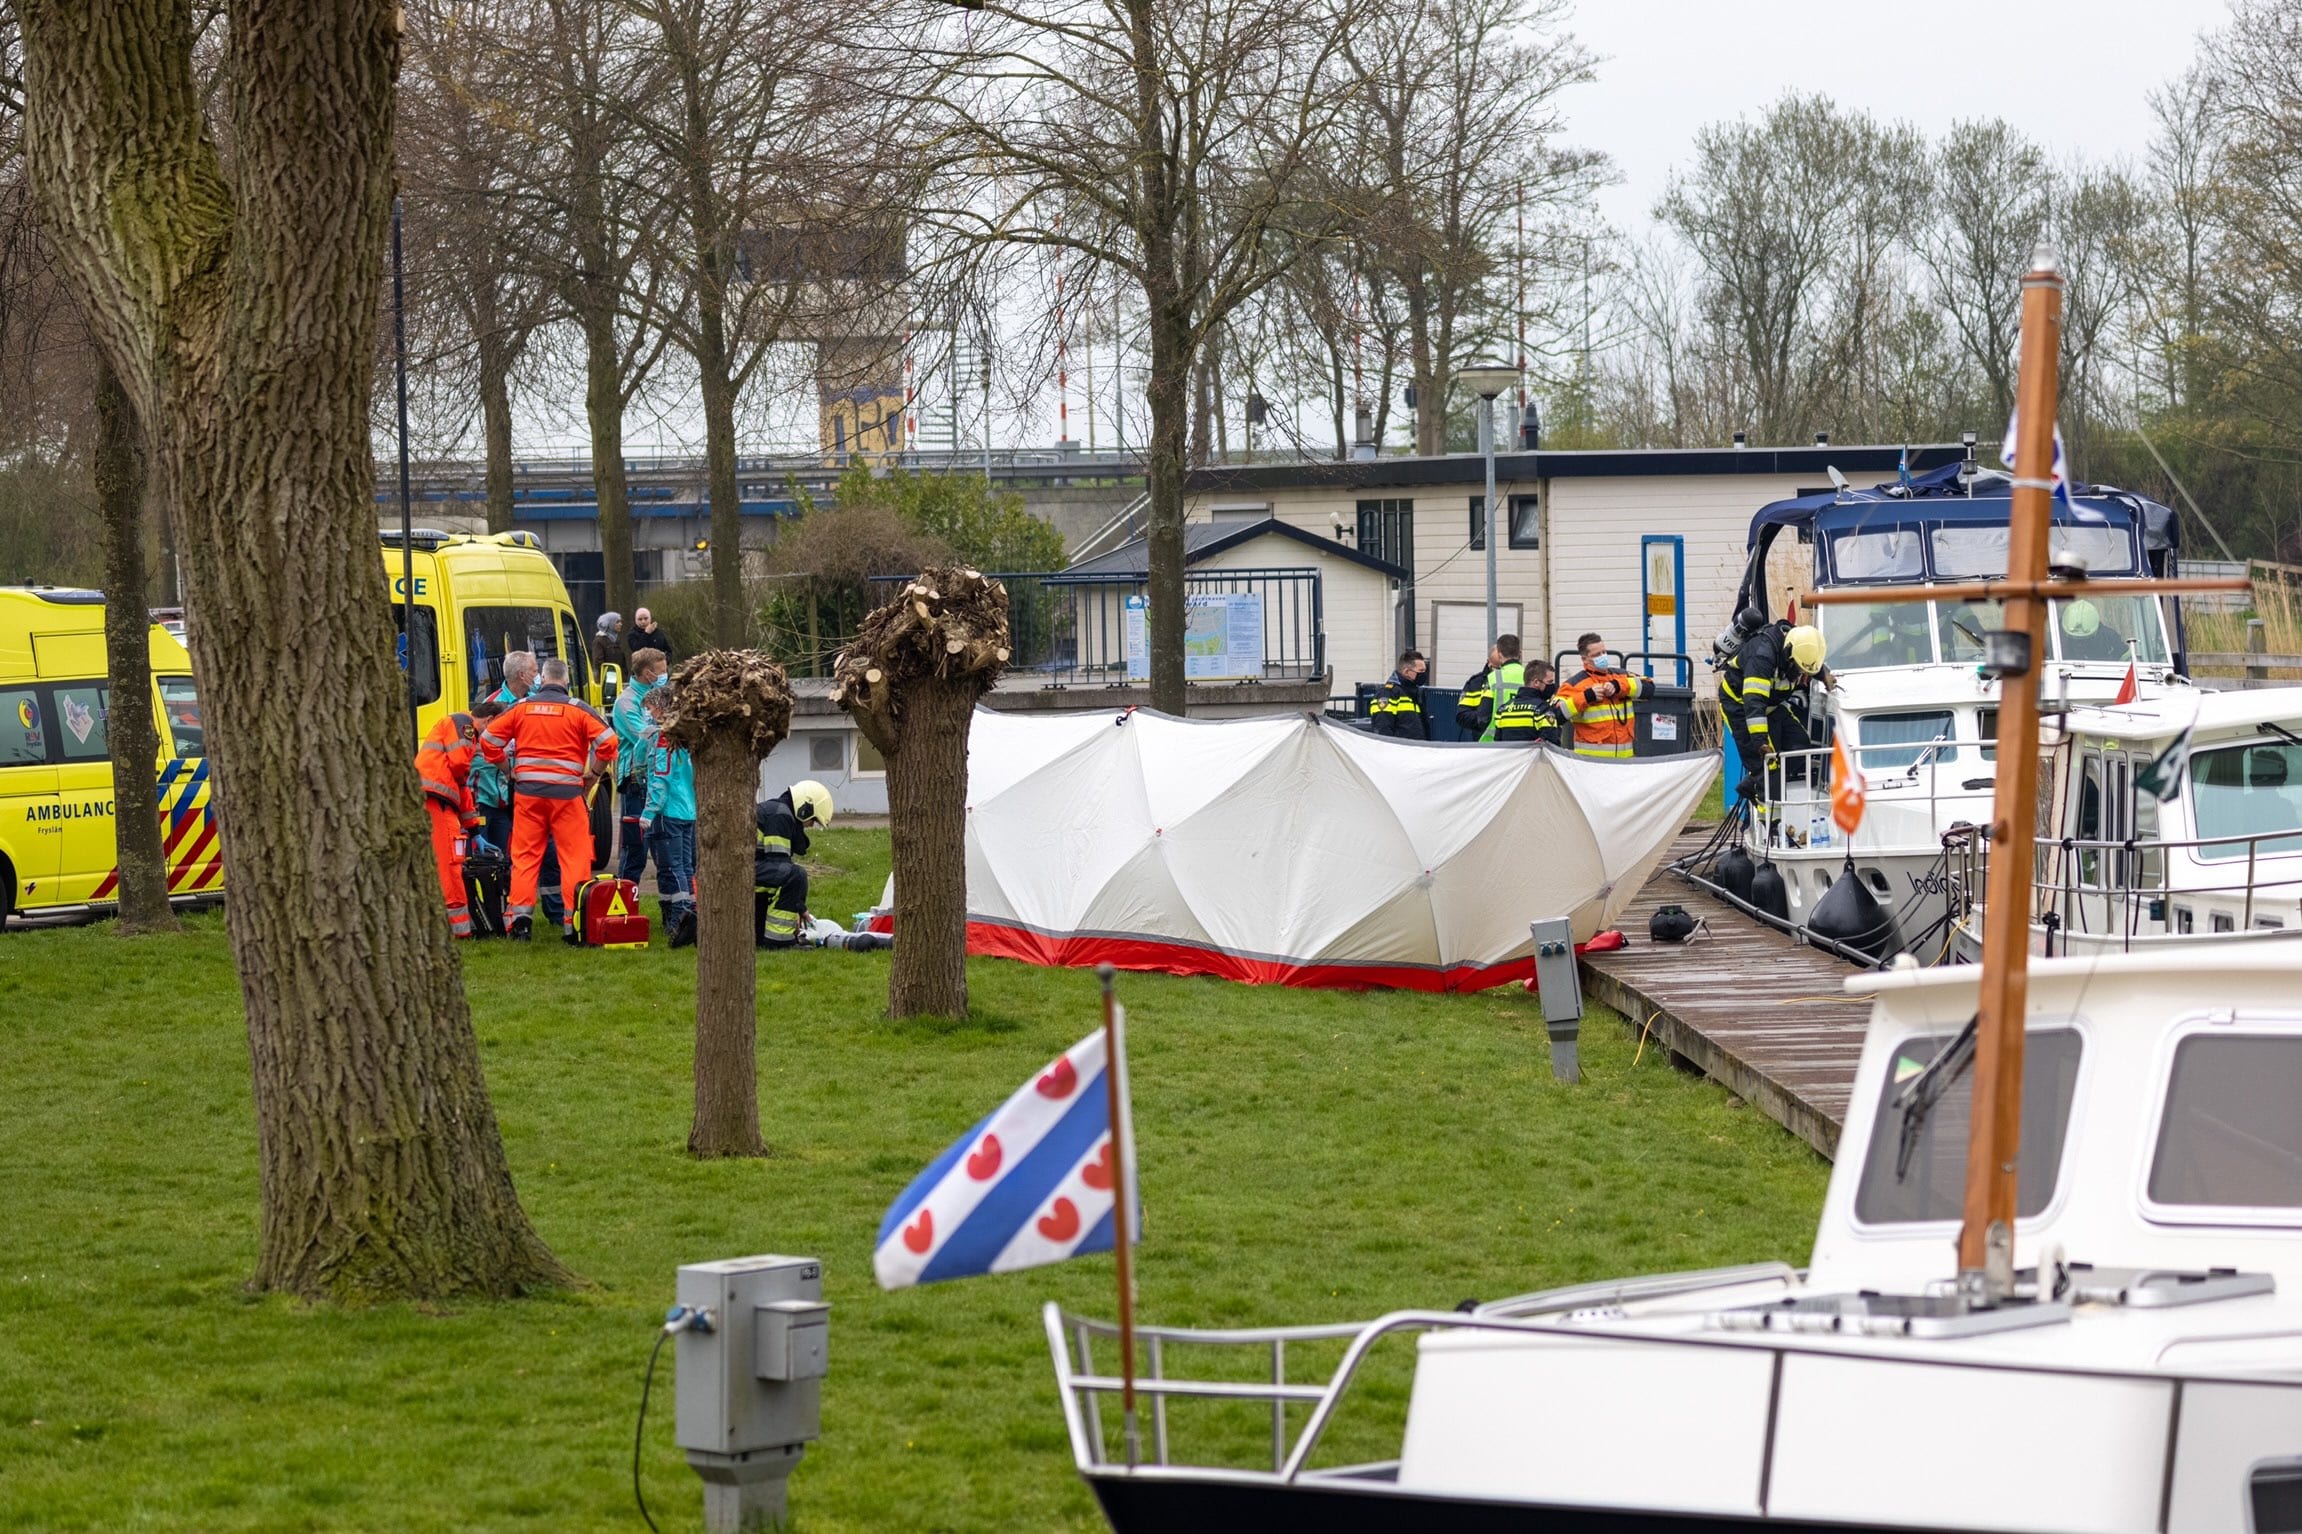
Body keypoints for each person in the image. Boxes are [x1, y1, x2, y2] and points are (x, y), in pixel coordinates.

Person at [480, 655, 618, 941]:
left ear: (542, 679)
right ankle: (574, 925)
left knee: (525, 857)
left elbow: (488, 741)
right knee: (574, 858)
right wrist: (593, 774)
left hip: (528, 795)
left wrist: (508, 770)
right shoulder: (579, 710)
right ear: (566, 680)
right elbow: (609, 742)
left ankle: (520, 922)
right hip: (567, 796)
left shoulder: (521, 707)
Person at [414, 699, 502, 938]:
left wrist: (474, 831)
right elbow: (460, 765)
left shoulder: (457, 728)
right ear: (490, 721)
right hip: (436, 802)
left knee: (444, 863)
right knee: (451, 864)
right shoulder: (464, 724)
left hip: (436, 801)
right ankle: (458, 930)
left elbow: (462, 789)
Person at [1720, 620, 1831, 808]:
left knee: (1800, 746)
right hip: (1740, 707)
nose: (1802, 677)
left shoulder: (1798, 647)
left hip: (1770, 705)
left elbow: (1807, 659)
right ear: (1788, 654)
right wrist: (1760, 741)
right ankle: (1770, 819)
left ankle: (1751, 785)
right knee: (1767, 767)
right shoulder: (1762, 657)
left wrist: (1823, 674)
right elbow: (1754, 702)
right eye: (1799, 670)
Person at [638, 686, 697, 949]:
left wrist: (648, 812)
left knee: (672, 869)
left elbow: (660, 778)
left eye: (650, 709)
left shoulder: (664, 738)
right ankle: (685, 918)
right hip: (687, 811)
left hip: (667, 812)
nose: (648, 715)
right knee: (685, 868)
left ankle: (678, 923)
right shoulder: (687, 735)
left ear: (661, 709)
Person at [756, 779, 834, 948]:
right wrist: (798, 907)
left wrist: (799, 908)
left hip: (744, 872)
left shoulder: (778, 811)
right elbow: (780, 867)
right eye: (813, 820)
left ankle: (766, 936)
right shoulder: (780, 816)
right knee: (796, 875)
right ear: (805, 809)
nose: (811, 825)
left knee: (793, 875)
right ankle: (779, 941)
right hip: (742, 874)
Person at [613, 647, 668, 885]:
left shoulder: (662, 695)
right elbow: (644, 736)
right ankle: (625, 897)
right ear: (648, 673)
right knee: (635, 847)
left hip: (660, 777)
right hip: (636, 781)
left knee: (665, 846)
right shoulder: (626, 702)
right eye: (661, 671)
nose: (665, 675)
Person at [1554, 632, 1646, 760]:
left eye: (1604, 652)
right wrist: (1586, 697)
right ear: (1584, 659)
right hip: (1590, 762)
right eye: (1597, 655)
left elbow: (1649, 687)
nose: (1603, 656)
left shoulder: (1621, 676)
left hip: (1624, 761)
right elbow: (1555, 715)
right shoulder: (1573, 685)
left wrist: (1618, 686)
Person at [1490, 659, 1563, 746]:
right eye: (1549, 682)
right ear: (1536, 682)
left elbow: (1498, 745)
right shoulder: (1542, 709)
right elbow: (1552, 744)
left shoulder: (1502, 710)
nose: (1552, 686)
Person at [1473, 634, 1528, 743]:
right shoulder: (1530, 676)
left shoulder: (1493, 678)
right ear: (1520, 653)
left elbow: (1483, 717)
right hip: (1525, 742)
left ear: (1499, 655)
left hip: (1495, 743)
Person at [1368, 649, 1429, 739]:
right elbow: (1383, 729)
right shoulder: (1387, 694)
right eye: (1421, 671)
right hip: (1399, 747)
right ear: (1406, 672)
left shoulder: (1414, 693)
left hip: (1416, 747)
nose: (1424, 674)